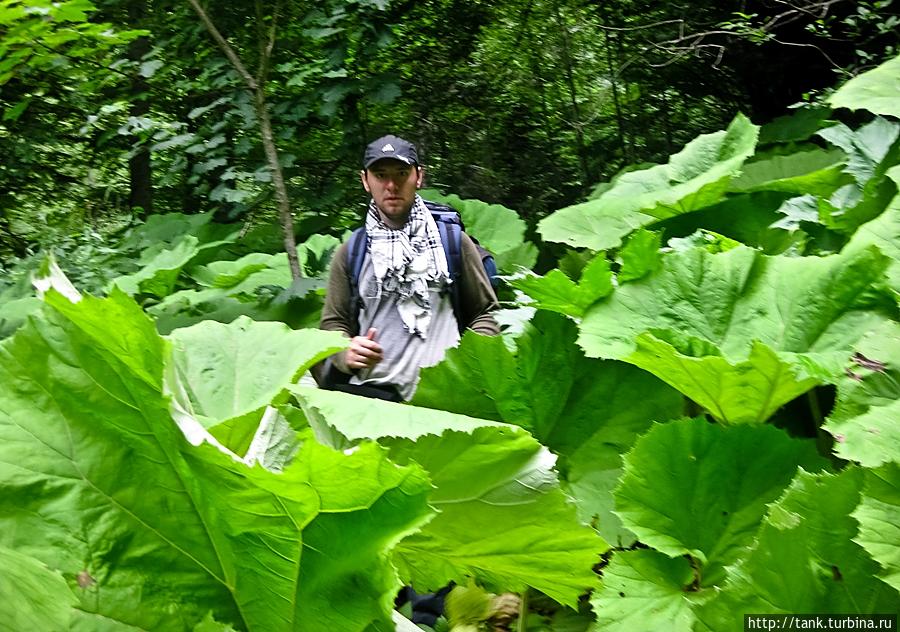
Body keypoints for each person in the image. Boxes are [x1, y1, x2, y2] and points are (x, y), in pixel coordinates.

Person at [318, 134, 499, 402]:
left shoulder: (452, 243)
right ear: (365, 181)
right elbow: (333, 322)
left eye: (402, 173)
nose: (391, 185)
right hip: (373, 401)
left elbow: (485, 312)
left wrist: (471, 364)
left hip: (447, 401)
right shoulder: (351, 252)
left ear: (419, 176)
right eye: (380, 175)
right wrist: (345, 353)